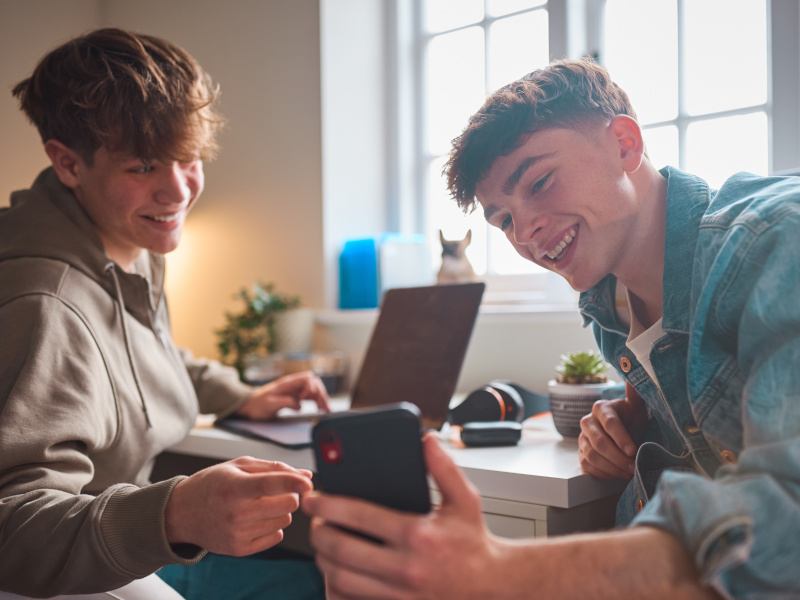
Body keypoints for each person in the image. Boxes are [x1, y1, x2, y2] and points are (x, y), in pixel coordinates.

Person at [303, 58, 800, 598]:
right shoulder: (606, 303)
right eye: (505, 219)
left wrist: (495, 571)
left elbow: (785, 521)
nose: (527, 233)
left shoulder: (774, 240)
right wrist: (628, 416)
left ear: (625, 145)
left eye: (540, 182)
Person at [0, 29, 329, 599]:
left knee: (317, 575)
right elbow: (12, 525)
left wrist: (236, 394)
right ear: (68, 162)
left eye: (189, 159)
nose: (177, 191)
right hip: (78, 564)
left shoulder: (124, 247)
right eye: (144, 167)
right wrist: (173, 516)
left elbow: (138, 354)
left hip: (129, 543)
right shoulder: (44, 303)